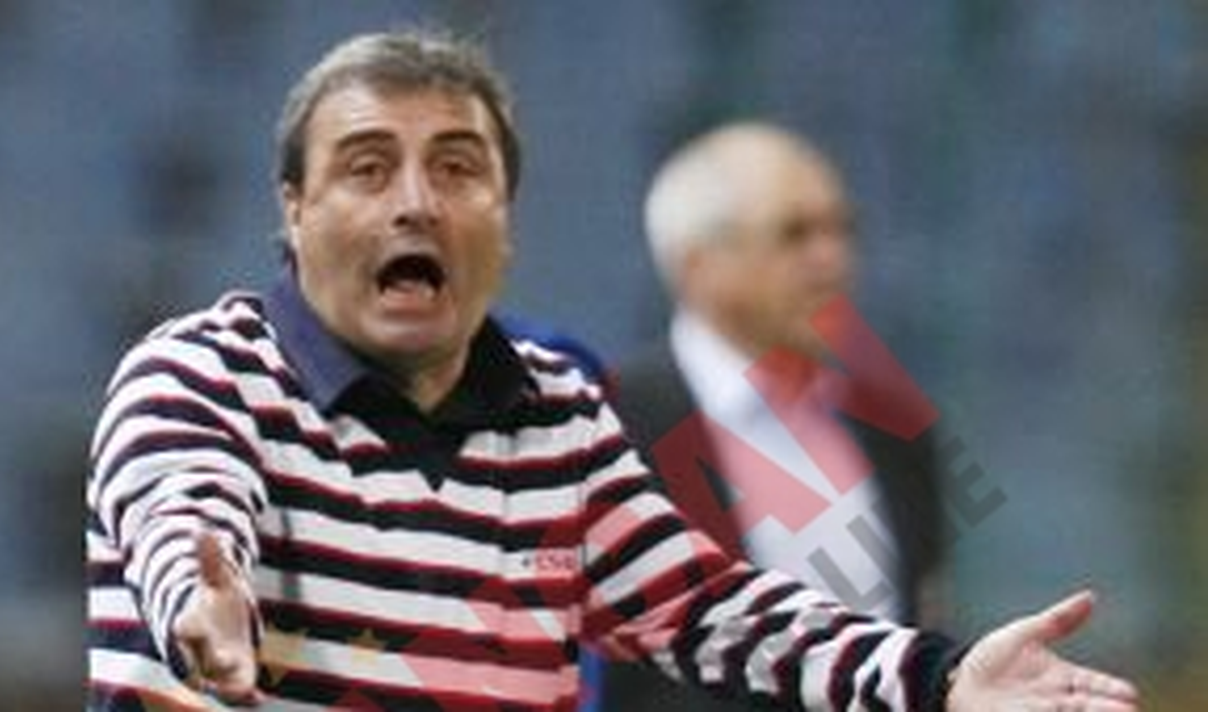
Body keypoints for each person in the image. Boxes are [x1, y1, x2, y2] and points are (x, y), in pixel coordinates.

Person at [84, 29, 1139, 711]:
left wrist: (942, 678)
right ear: (294, 209)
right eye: (367, 168)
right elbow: (181, 507)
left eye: (458, 168)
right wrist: (198, 601)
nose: (416, 202)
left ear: (506, 220)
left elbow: (711, 610)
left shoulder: (557, 417)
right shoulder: (198, 374)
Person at [601, 123, 949, 710]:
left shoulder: (894, 429)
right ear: (697, 264)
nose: (831, 259)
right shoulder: (611, 427)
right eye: (795, 234)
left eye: (842, 229)